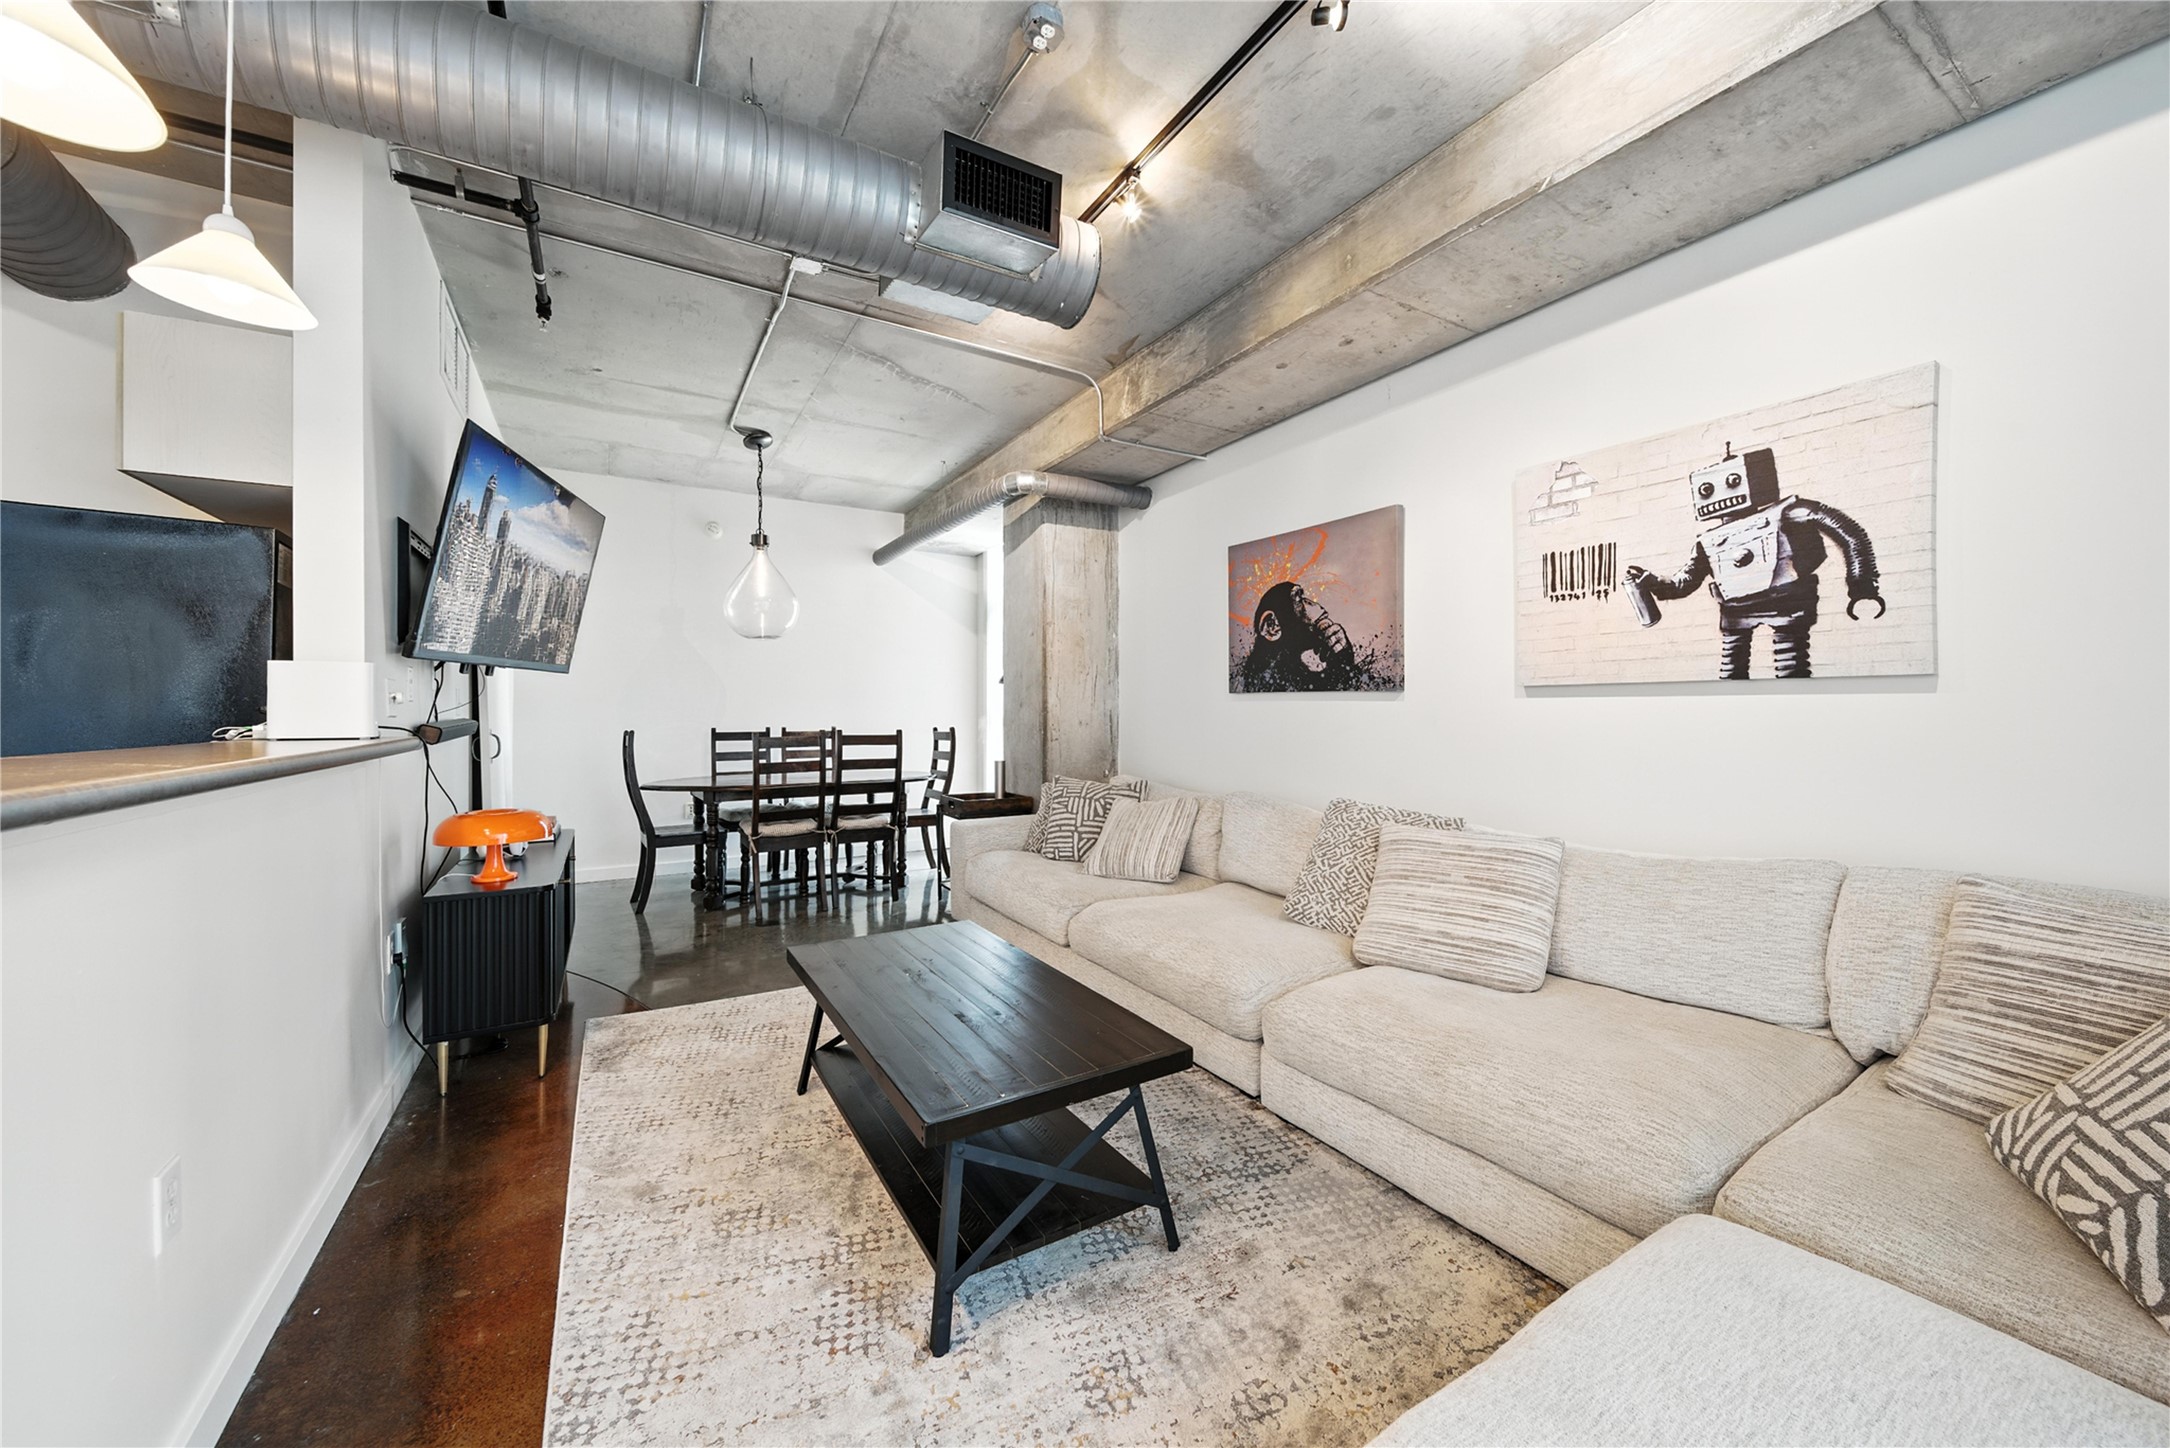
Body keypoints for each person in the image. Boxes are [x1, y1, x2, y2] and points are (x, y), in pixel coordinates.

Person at [1238, 581, 1358, 691]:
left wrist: (1343, 658)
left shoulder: (1286, 673)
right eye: (1300, 600)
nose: (1318, 607)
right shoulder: (1268, 678)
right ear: (1272, 627)